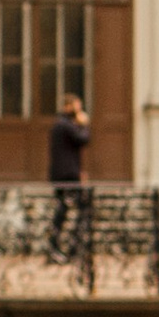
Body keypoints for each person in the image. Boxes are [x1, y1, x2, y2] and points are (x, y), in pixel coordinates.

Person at [47, 92, 89, 260]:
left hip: (63, 174)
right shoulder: (65, 125)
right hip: (68, 175)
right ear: (68, 106)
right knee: (75, 209)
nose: (79, 110)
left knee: (64, 210)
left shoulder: (60, 124)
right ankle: (66, 247)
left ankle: (60, 246)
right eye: (77, 106)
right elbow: (84, 139)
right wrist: (84, 124)